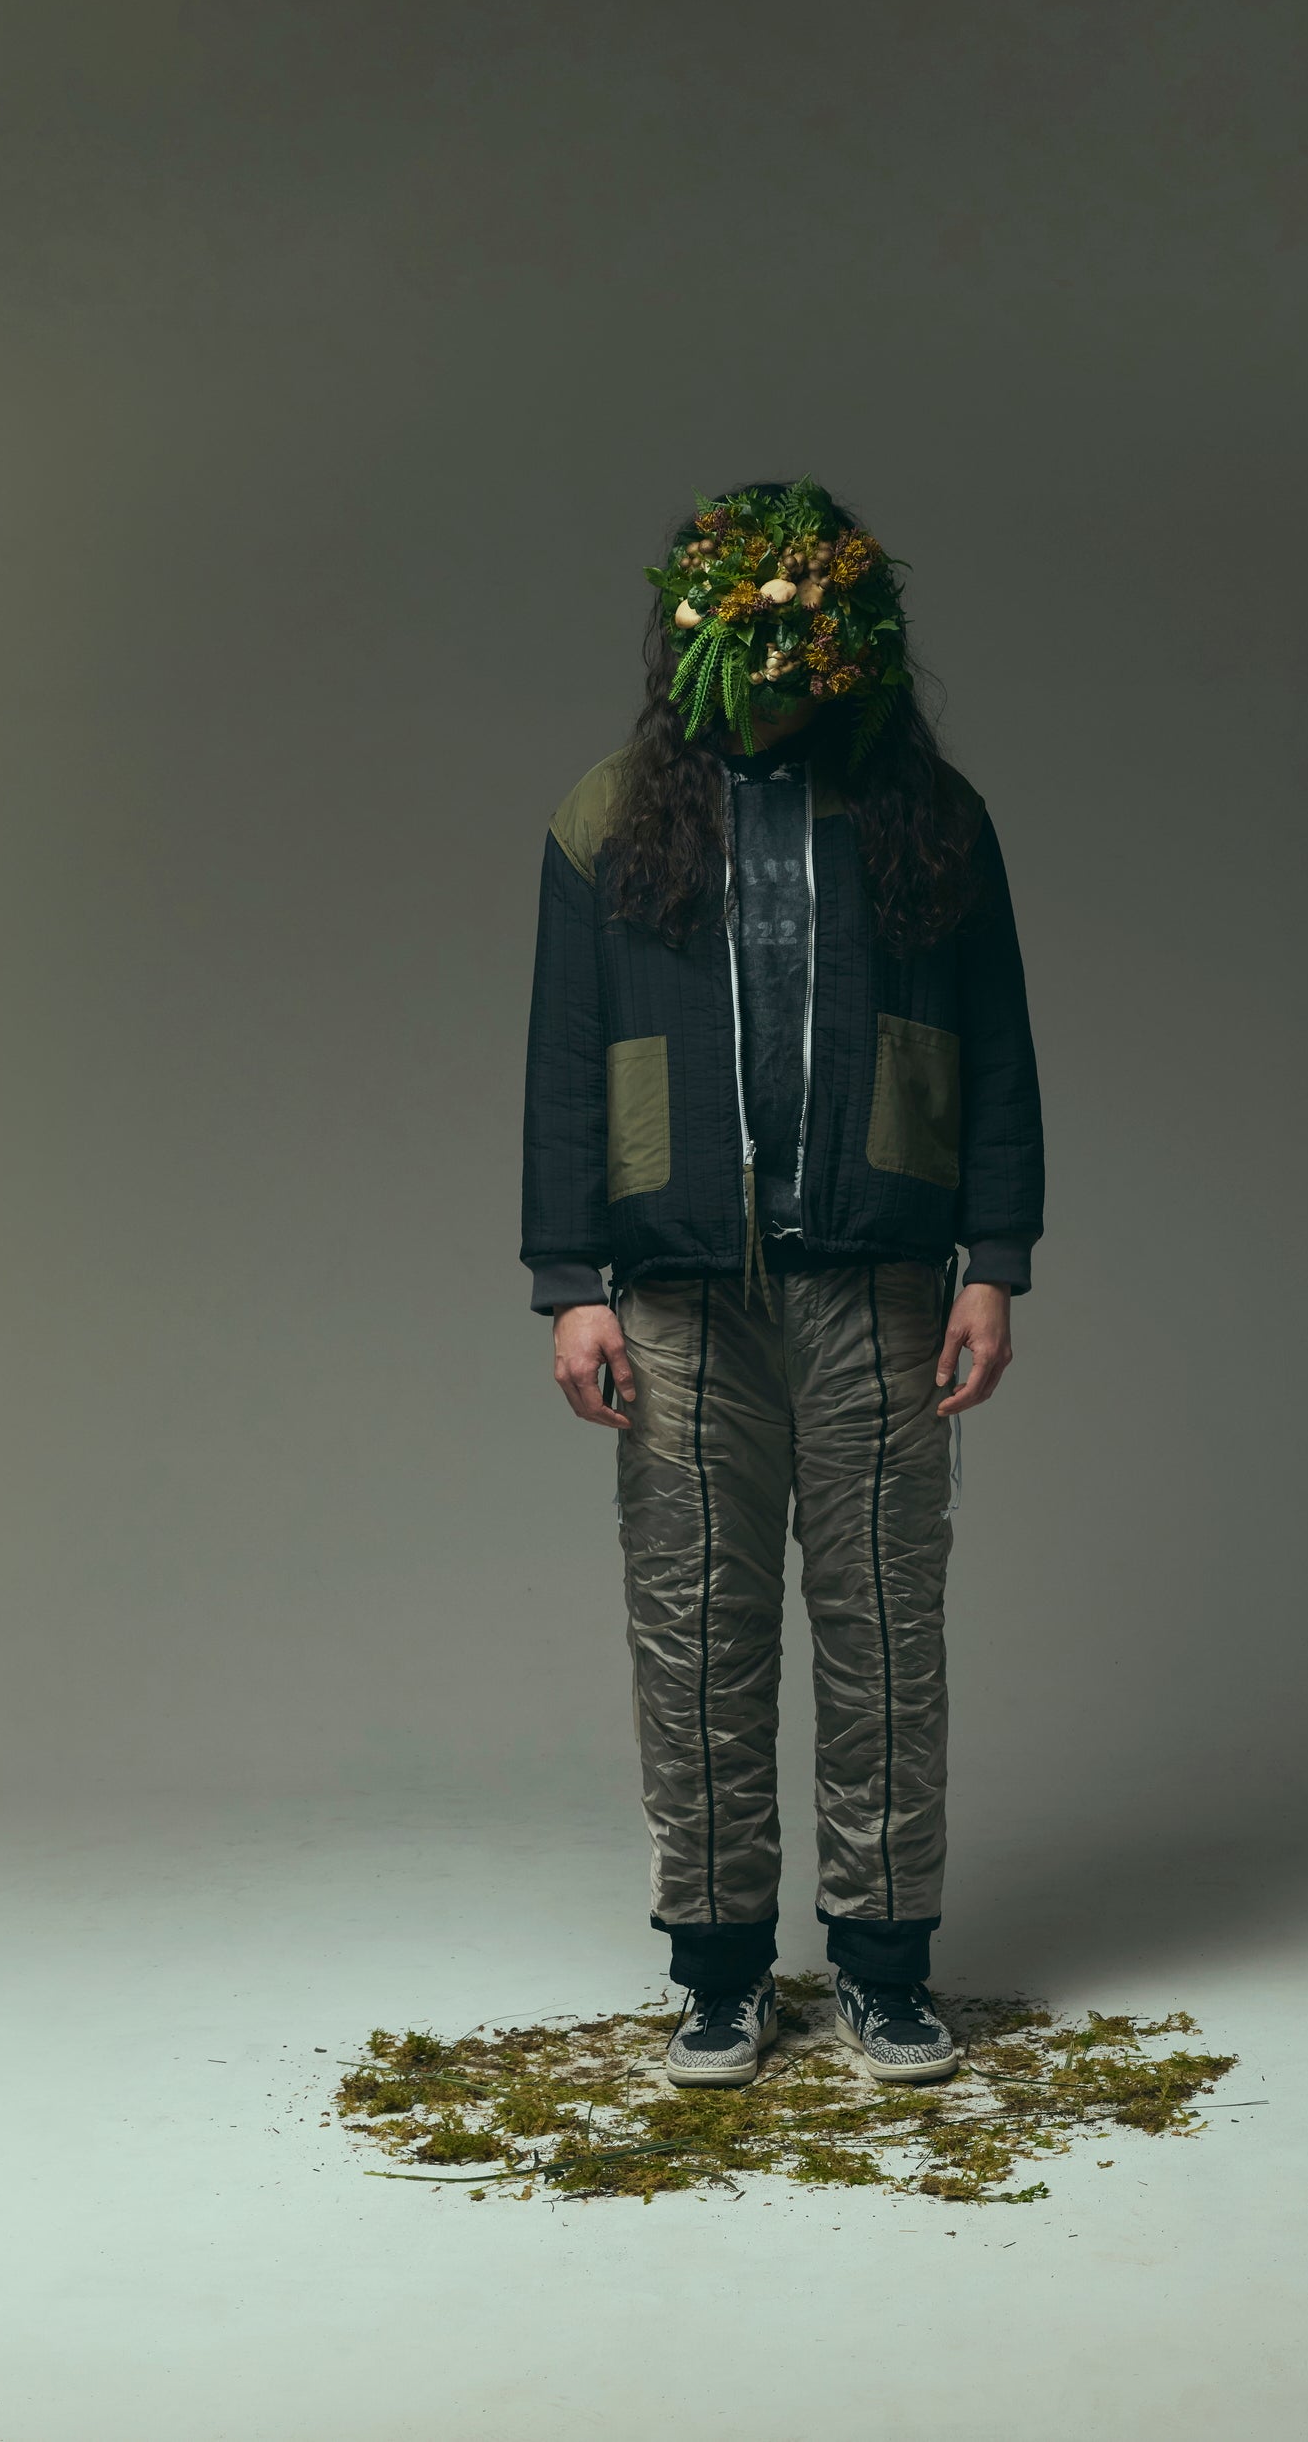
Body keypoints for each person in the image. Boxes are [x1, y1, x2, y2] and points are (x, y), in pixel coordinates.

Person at [520, 479, 1044, 2089]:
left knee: (885, 1619)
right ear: (699, 644)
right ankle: (720, 1972)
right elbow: (565, 1056)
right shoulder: (611, 816)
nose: (775, 676)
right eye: (748, 642)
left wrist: (996, 1259)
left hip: (882, 1279)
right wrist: (570, 1280)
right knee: (693, 1624)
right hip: (676, 1291)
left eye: (805, 645)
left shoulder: (929, 815)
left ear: (851, 650)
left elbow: (999, 1047)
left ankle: (885, 1968)